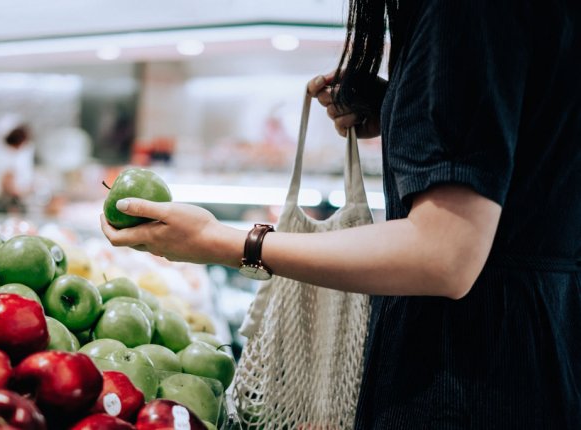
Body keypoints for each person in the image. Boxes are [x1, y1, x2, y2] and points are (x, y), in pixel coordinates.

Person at [102, 1, 580, 428]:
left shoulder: (462, 13)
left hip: (474, 371)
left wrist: (226, 242)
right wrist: (400, 104)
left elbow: (444, 253)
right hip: (533, 349)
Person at [0, 124, 34, 214]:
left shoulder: (5, 155)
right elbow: (7, 182)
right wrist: (19, 194)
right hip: (9, 202)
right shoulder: (10, 157)